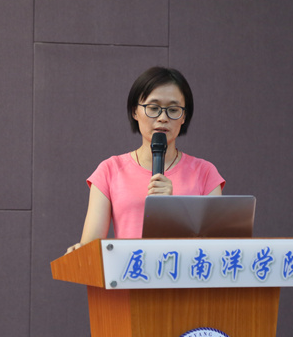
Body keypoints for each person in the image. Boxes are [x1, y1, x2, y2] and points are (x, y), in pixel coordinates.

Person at [66, 66, 225, 254]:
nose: (163, 118)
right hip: (129, 271)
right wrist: (80, 251)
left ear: (184, 116)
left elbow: (218, 248)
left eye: (173, 110)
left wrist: (174, 210)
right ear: (135, 111)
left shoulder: (205, 173)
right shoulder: (110, 170)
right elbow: (90, 247)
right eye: (153, 108)